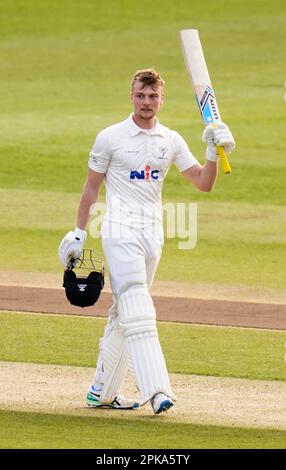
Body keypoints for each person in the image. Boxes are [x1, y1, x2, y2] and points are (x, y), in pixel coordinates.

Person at [58, 69, 235, 414]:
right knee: (138, 305)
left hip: (153, 234)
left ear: (161, 100)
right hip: (119, 230)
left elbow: (203, 183)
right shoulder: (110, 137)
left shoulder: (170, 140)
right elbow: (91, 188)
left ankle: (101, 391)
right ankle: (157, 390)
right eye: (140, 95)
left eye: (153, 97)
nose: (146, 102)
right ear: (131, 97)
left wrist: (214, 151)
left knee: (124, 310)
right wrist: (79, 232)